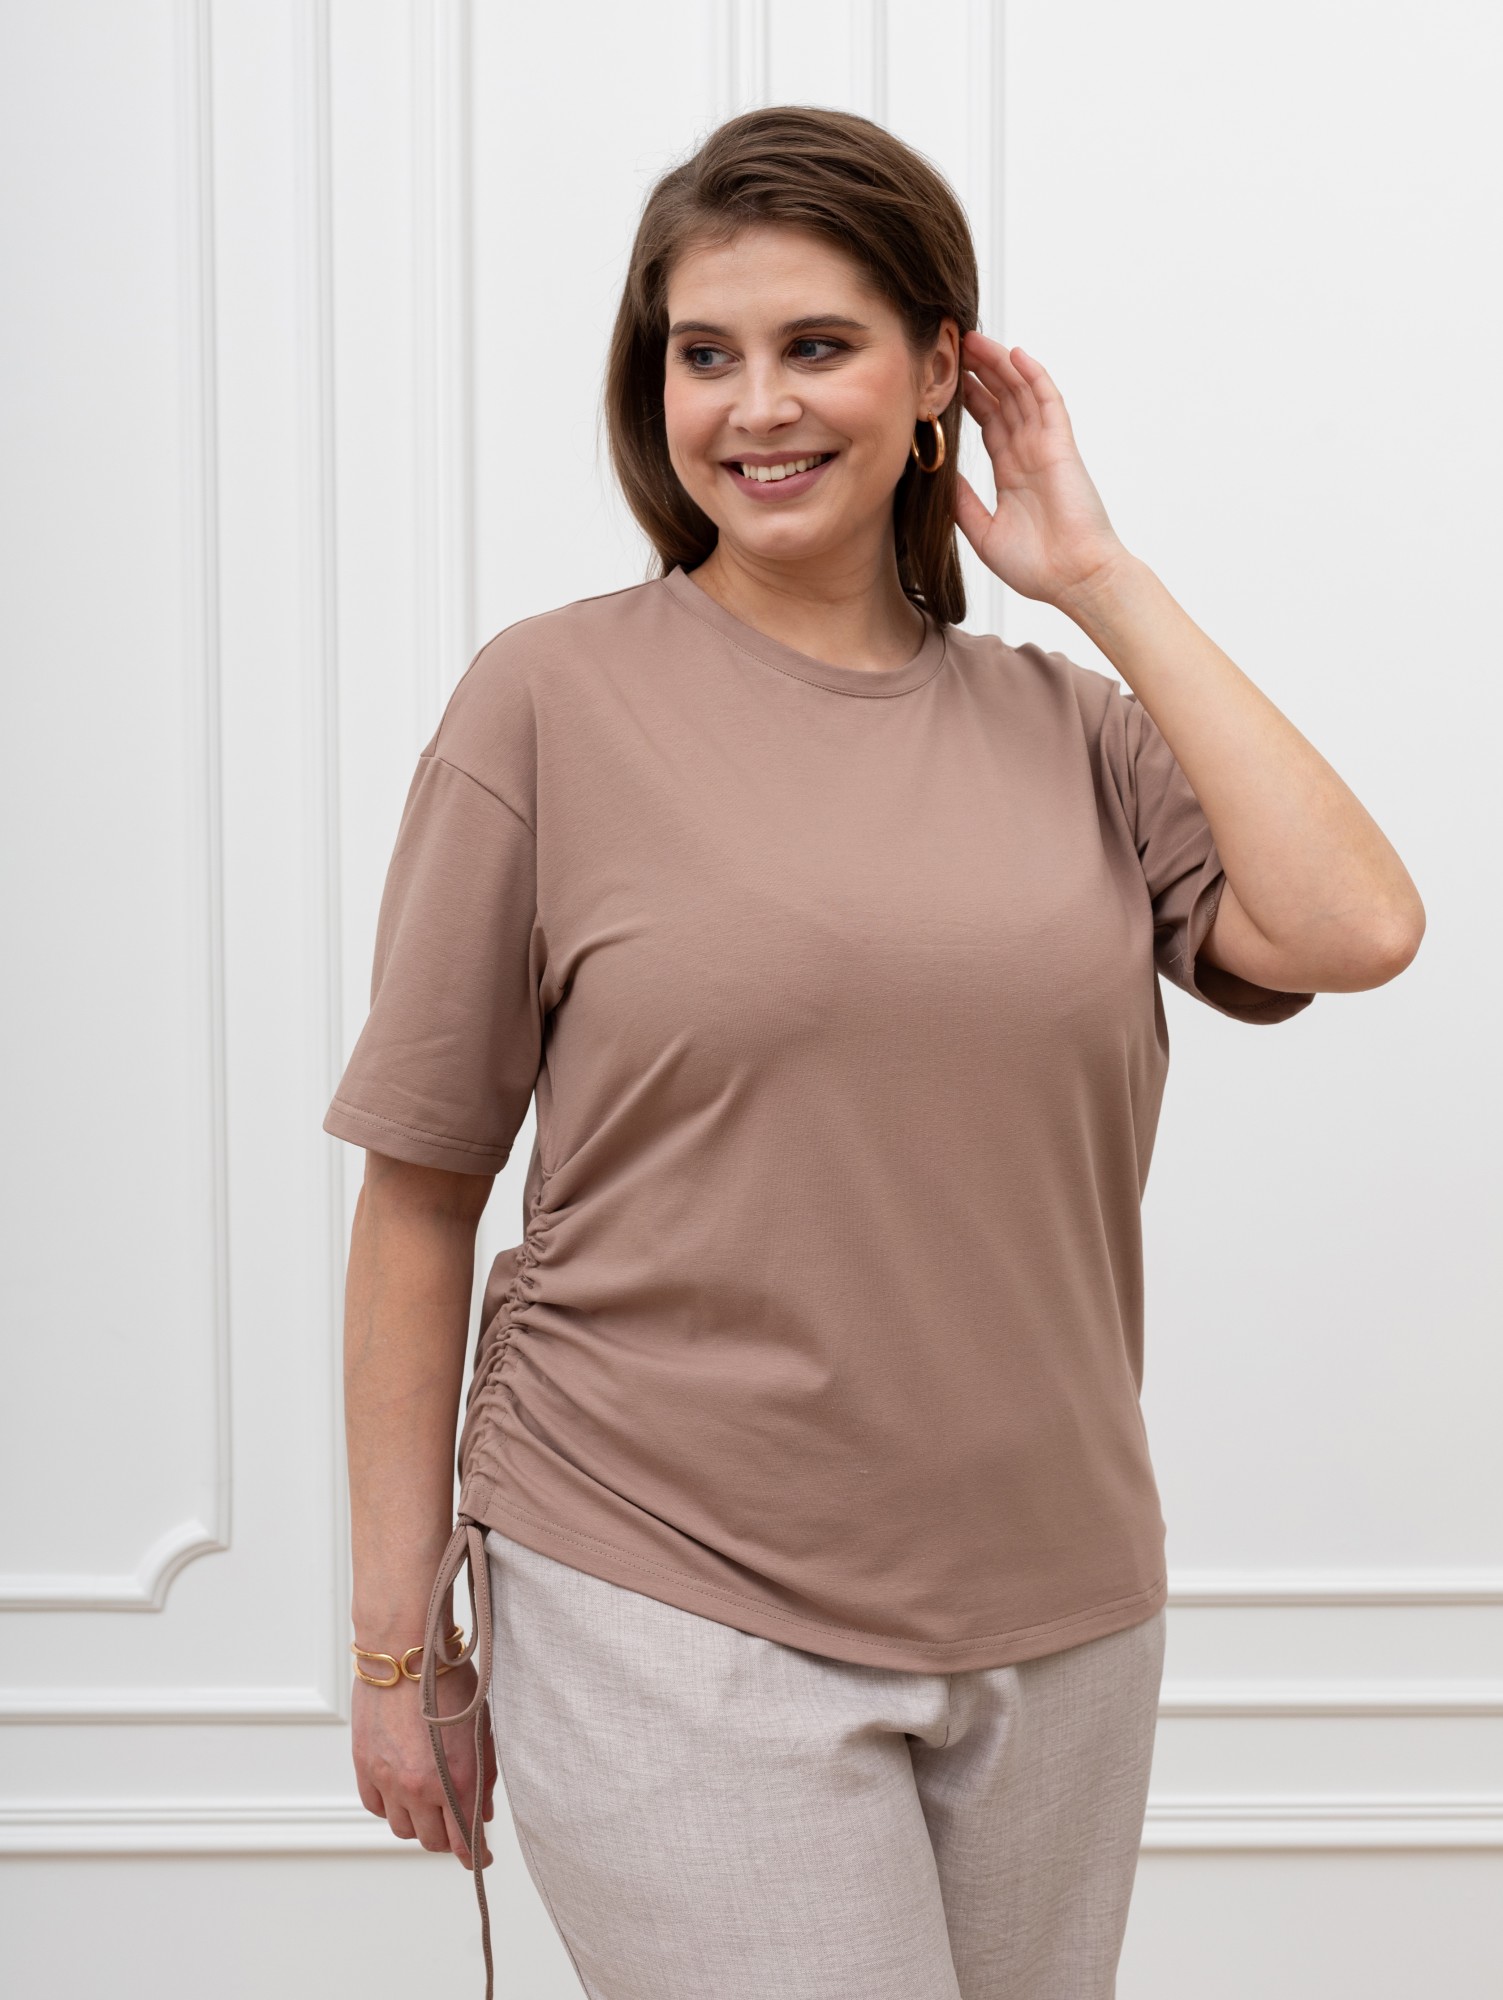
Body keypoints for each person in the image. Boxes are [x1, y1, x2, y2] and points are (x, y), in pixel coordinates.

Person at [323, 105, 1424, 2000]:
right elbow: (420, 1195)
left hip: (1060, 1604)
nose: (756, 406)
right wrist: (392, 1650)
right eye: (705, 354)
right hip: (663, 1573)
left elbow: (1356, 927)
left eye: (818, 346)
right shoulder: (549, 704)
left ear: (937, 376)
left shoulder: (1075, 732)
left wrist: (1099, 575)